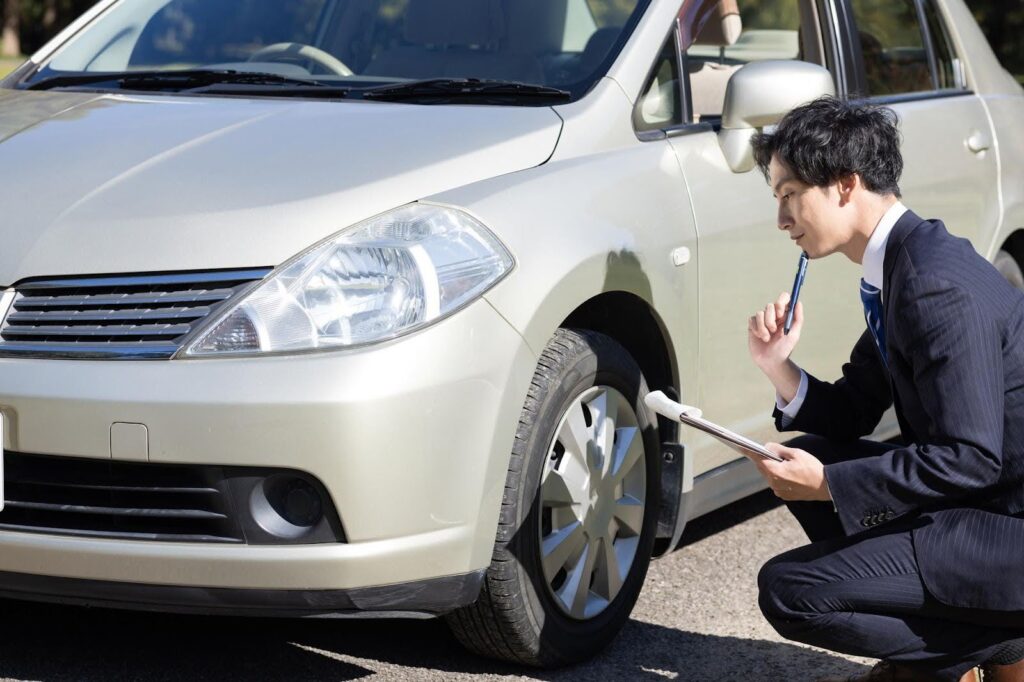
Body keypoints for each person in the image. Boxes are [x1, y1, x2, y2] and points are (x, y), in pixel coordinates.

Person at [745, 96, 1024, 681]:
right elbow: (851, 411)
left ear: (845, 185)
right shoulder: (899, 266)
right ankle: (970, 642)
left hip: (1007, 526)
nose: (783, 219)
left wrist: (828, 484)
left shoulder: (932, 284)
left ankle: (977, 647)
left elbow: (969, 459)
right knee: (810, 454)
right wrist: (779, 369)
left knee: (789, 590)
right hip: (983, 504)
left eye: (790, 194)